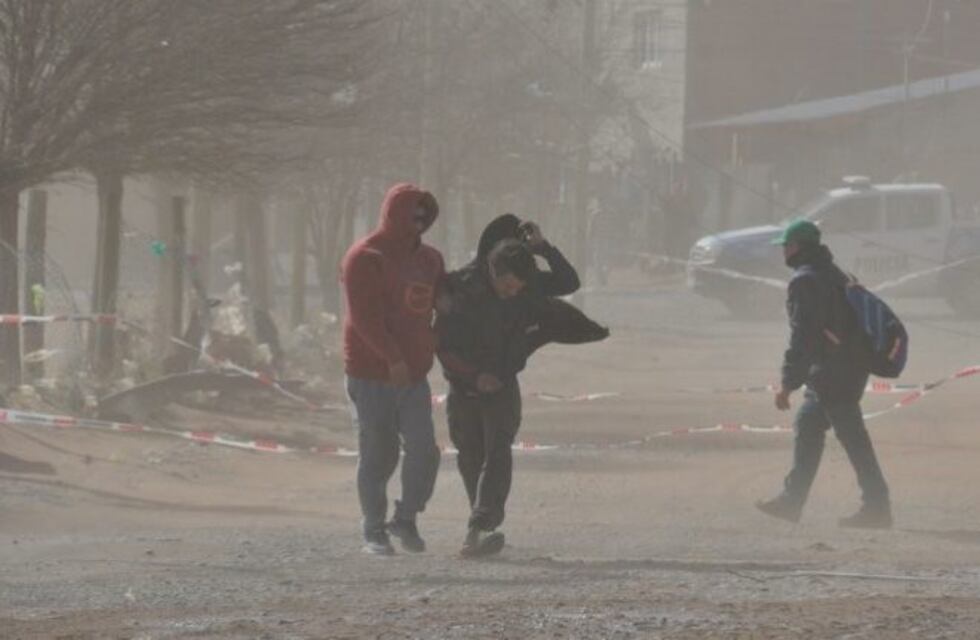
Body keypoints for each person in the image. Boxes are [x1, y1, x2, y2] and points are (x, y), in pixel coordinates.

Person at [437, 215, 606, 557]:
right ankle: (480, 524)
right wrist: (473, 377)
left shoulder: (527, 286)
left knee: (498, 453)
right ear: (493, 271)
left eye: (518, 288)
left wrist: (544, 249)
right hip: (464, 387)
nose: (513, 293)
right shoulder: (460, 288)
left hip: (502, 384)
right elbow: (442, 343)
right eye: (508, 286)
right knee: (471, 457)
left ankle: (480, 526)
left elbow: (568, 281)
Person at [756, 220, 892, 529]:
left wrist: (788, 383)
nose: (784, 251)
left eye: (787, 246)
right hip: (846, 368)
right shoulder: (834, 273)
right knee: (809, 425)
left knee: (853, 438)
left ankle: (877, 506)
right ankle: (792, 501)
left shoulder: (805, 281)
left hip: (834, 372)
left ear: (800, 247)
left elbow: (804, 336)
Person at [341, 183, 444, 555]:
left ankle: (407, 517)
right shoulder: (365, 257)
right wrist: (392, 359)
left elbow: (441, 306)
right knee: (378, 454)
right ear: (393, 213)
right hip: (371, 374)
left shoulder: (431, 260)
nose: (417, 223)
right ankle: (374, 529)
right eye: (411, 215)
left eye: (424, 216)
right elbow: (364, 319)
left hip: (414, 377)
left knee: (424, 450)